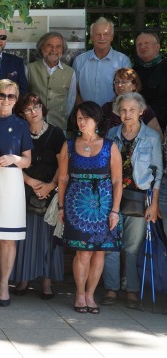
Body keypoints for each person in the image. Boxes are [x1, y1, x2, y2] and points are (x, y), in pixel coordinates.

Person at [58, 101, 123, 314]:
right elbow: (63, 178)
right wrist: (60, 207)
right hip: (77, 207)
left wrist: (114, 210)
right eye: (78, 117)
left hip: (103, 206)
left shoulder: (110, 146)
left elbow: (116, 181)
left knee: (99, 253)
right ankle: (79, 294)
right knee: (82, 253)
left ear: (96, 121)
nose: (82, 121)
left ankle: (90, 294)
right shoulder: (68, 145)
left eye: (86, 117)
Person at [101, 92, 162, 309]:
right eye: (123, 110)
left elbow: (158, 173)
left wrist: (154, 204)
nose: (127, 114)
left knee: (132, 247)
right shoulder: (111, 134)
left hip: (139, 198)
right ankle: (111, 288)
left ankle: (132, 290)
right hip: (113, 198)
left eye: (132, 110)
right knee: (111, 245)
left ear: (141, 112)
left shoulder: (152, 137)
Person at [0, 79, 32, 307]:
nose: (6, 100)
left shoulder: (22, 125)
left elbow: (28, 160)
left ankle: (4, 285)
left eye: (11, 96)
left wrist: (13, 159)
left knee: (8, 239)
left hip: (11, 183)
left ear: (16, 99)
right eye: (2, 95)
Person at [11, 93, 66, 299]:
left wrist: (50, 186)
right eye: (27, 109)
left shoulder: (56, 133)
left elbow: (63, 165)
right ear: (22, 114)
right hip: (23, 189)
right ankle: (23, 278)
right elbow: (12, 162)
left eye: (36, 107)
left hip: (50, 191)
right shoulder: (19, 132)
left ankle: (47, 282)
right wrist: (32, 183)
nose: (33, 112)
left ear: (43, 109)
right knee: (24, 237)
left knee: (46, 237)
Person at [73, 17, 131, 106]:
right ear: (91, 37)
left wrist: (110, 112)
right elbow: (74, 91)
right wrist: (84, 110)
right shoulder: (79, 61)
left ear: (112, 37)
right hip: (86, 115)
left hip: (114, 114)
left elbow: (126, 91)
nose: (102, 38)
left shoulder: (123, 61)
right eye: (98, 34)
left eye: (106, 34)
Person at [26, 32, 76, 130]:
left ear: (62, 49)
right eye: (49, 46)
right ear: (41, 47)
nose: (54, 50)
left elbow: (70, 101)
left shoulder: (71, 72)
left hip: (59, 127)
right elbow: (24, 97)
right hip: (33, 127)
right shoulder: (29, 69)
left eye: (58, 46)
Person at [100, 68, 162, 140]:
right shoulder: (106, 108)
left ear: (134, 86)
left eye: (123, 82)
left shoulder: (144, 109)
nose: (119, 85)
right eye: (117, 82)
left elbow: (158, 137)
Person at [132, 32, 167, 130]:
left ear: (157, 47)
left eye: (146, 43)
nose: (142, 46)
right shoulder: (134, 71)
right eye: (139, 44)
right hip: (139, 130)